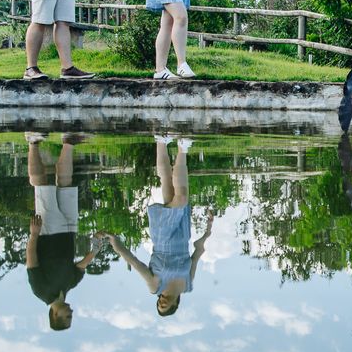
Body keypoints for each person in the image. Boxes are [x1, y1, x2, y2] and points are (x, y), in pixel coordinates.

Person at [102, 137, 213, 316]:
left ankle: (182, 148)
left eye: (159, 305)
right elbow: (197, 253)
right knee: (168, 184)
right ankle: (161, 142)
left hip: (163, 237)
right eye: (165, 306)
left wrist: (115, 242)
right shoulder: (188, 285)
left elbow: (134, 262)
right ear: (175, 305)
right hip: (183, 234)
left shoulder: (155, 287)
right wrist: (208, 231)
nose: (161, 302)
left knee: (181, 198)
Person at [25, 132, 102, 330]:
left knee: (42, 186)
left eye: (67, 317)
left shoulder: (41, 291)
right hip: (69, 230)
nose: (71, 314)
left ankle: (33, 142)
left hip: (48, 231)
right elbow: (81, 266)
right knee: (66, 184)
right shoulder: (68, 287)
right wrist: (95, 249)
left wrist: (33, 235)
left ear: (55, 315)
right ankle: (68, 143)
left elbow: (31, 263)